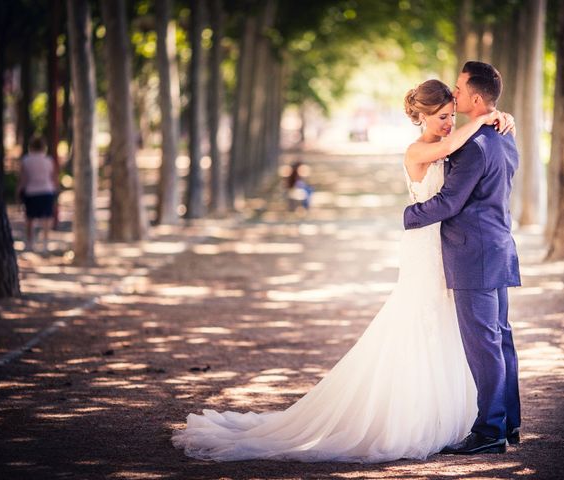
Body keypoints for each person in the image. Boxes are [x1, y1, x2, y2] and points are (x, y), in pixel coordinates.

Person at [172, 78, 516, 463]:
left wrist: (496, 117)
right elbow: (452, 150)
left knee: (454, 331)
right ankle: (413, 417)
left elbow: (459, 154)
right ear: (421, 117)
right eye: (441, 117)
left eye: (452, 116)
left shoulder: (453, 142)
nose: (448, 123)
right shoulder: (419, 149)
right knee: (419, 323)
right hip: (424, 246)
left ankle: (463, 415)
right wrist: (489, 118)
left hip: (451, 248)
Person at [404, 62, 522, 455]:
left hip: (474, 255)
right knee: (500, 338)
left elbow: (450, 202)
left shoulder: (473, 145)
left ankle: (489, 431)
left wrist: (410, 215)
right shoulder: (504, 136)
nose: (453, 95)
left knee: (485, 344)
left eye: (457, 89)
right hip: (499, 248)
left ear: (474, 96)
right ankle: (509, 422)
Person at [16, 135, 58, 252]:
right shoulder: (49, 160)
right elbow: (54, 178)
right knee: (46, 218)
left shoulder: (26, 160)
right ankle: (45, 243)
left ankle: (30, 243)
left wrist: (18, 193)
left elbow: (23, 179)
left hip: (31, 192)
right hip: (47, 191)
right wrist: (56, 192)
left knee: (29, 219)